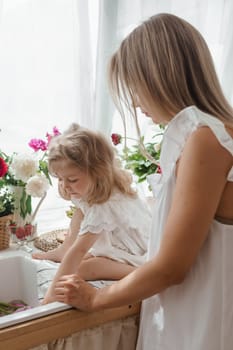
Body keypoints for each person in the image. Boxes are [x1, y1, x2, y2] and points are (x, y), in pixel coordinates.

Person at [50, 13, 233, 350]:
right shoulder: (205, 134)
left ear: (160, 76)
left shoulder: (206, 138)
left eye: (134, 86)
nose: (135, 101)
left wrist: (96, 298)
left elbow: (171, 267)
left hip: (200, 329)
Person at [32, 123, 151, 303]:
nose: (64, 185)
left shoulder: (105, 205)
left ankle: (144, 274)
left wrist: (49, 298)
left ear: (98, 172)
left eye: (71, 179)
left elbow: (79, 250)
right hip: (121, 245)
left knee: (83, 269)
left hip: (141, 255)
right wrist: (69, 250)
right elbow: (80, 214)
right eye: (60, 179)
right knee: (80, 215)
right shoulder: (92, 188)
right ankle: (64, 249)